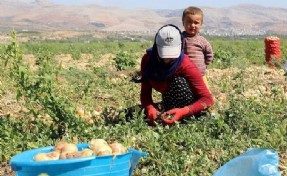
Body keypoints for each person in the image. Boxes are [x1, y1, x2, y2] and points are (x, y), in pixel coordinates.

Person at [138, 24, 214, 126]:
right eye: (164, 55)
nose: (167, 60)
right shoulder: (148, 60)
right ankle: (167, 115)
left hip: (189, 106)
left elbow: (207, 99)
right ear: (156, 48)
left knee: (178, 82)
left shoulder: (185, 64)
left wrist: (183, 111)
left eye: (172, 56)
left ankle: (182, 119)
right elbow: (145, 93)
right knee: (129, 114)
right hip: (169, 102)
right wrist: (150, 109)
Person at [182, 6, 215, 116]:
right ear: (183, 22)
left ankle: (211, 112)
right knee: (187, 93)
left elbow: (209, 54)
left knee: (206, 94)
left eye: (196, 23)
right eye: (189, 22)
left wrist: (204, 65)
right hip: (185, 75)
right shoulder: (180, 39)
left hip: (200, 74)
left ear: (201, 24)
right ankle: (189, 111)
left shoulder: (202, 41)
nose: (192, 25)